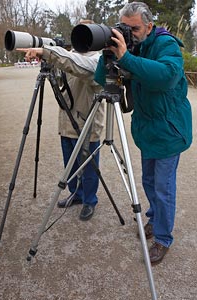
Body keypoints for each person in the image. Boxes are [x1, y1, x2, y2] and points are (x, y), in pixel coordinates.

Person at [94, 2, 192, 265]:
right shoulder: (129, 46)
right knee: (149, 180)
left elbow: (166, 77)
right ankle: (154, 218)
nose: (129, 33)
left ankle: (163, 238)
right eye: (124, 27)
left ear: (149, 26)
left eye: (134, 28)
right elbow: (100, 79)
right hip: (147, 129)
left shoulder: (165, 44)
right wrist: (108, 53)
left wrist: (126, 58)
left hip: (169, 130)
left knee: (163, 187)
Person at [18, 19, 104, 221]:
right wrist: (49, 62)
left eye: (86, 31)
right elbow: (63, 74)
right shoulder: (69, 55)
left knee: (88, 166)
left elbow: (77, 67)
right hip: (66, 120)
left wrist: (48, 52)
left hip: (86, 123)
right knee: (70, 165)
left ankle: (89, 201)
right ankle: (76, 193)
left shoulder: (97, 59)